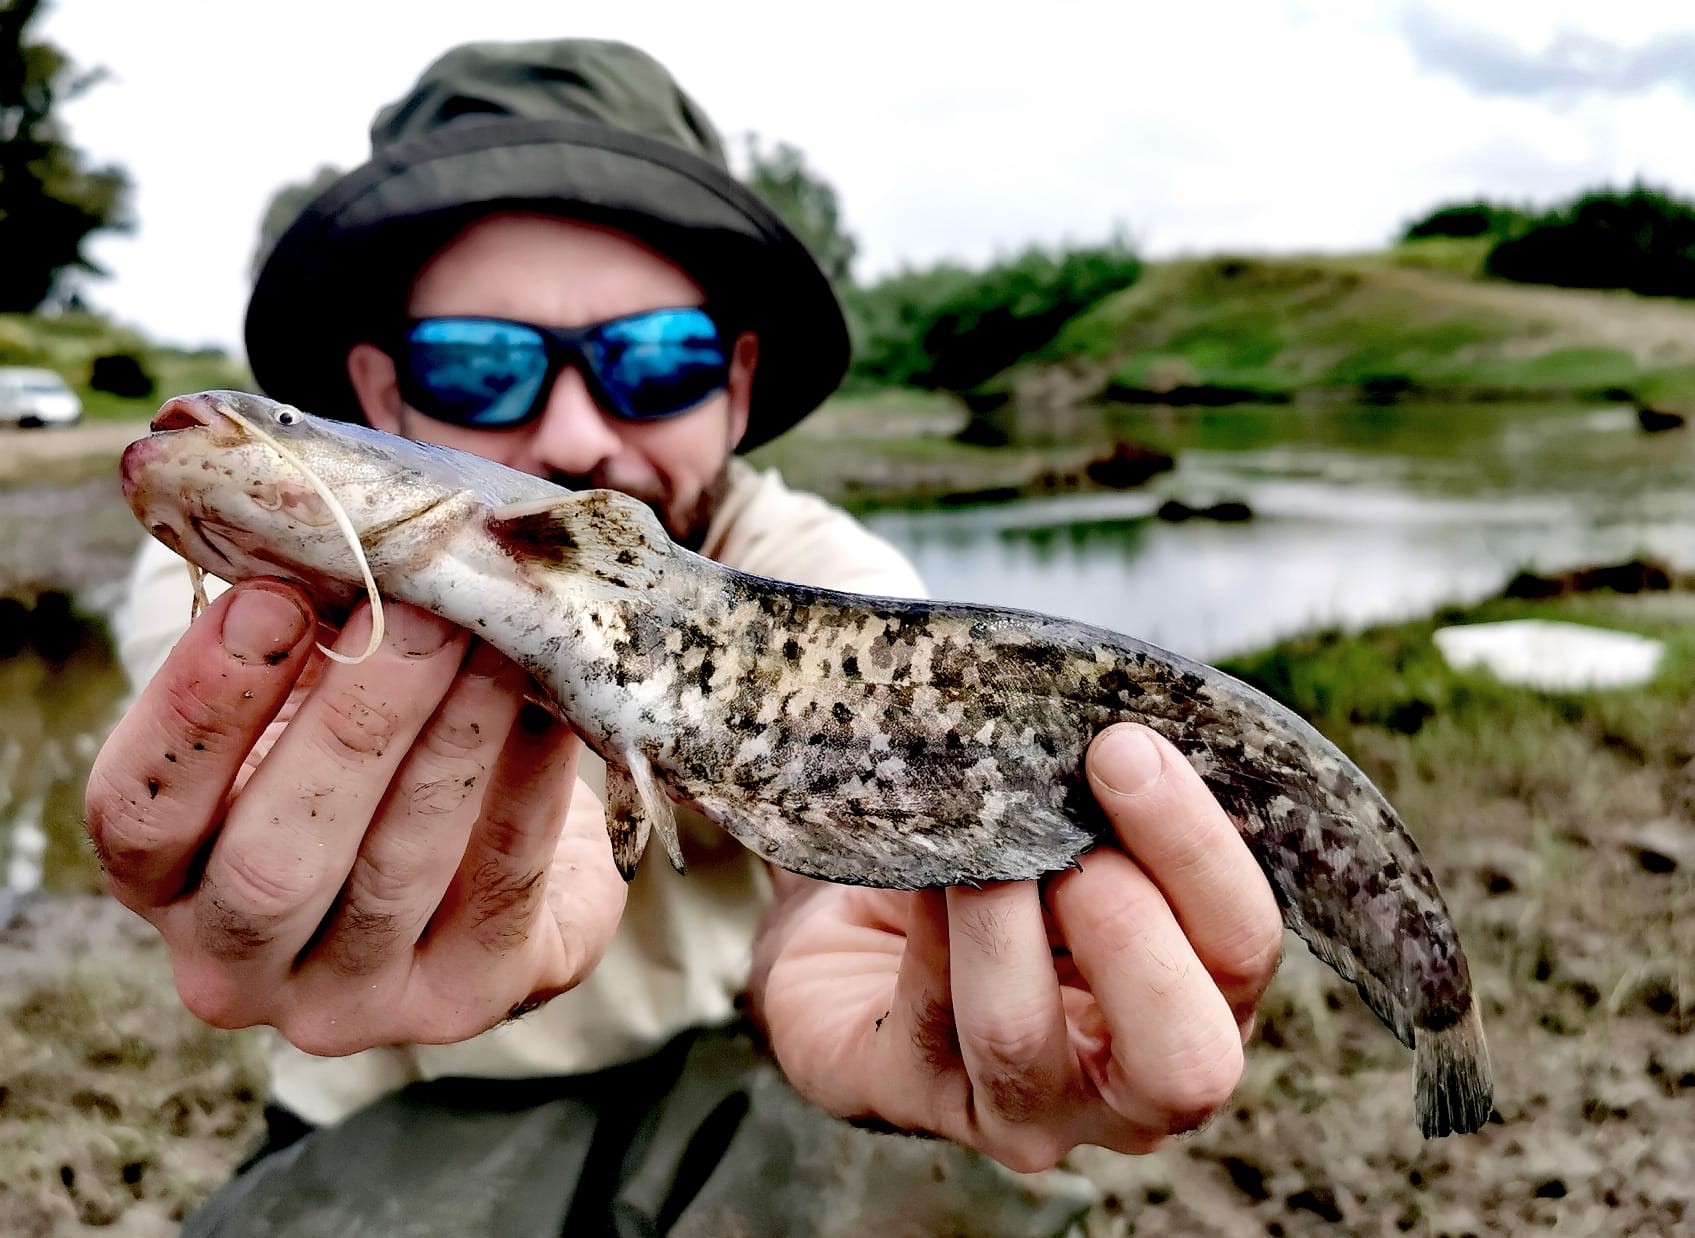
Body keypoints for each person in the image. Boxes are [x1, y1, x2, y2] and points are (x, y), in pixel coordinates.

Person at [85, 38, 1283, 1236]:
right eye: (483, 363)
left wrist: (853, 949)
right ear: (380, 393)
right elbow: (235, 771)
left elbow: (824, 883)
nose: (573, 434)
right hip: (383, 1121)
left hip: (730, 1076)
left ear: (738, 383)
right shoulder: (234, 569)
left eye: (654, 361)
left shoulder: (828, 581)